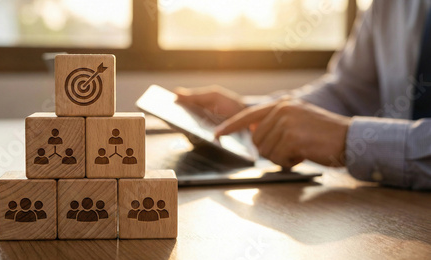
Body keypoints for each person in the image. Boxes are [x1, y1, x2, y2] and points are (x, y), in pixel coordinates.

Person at [175, 1, 431, 190]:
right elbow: (346, 92)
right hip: (393, 213)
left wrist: (348, 139)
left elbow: (342, 126)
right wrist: (247, 111)